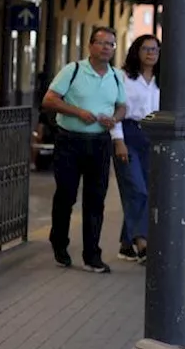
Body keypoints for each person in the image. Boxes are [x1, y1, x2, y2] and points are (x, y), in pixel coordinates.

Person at [41, 26, 127, 273]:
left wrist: (115, 119)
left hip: (99, 142)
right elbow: (49, 100)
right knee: (66, 195)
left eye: (110, 44)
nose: (106, 48)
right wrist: (77, 111)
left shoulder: (115, 76)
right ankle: (59, 243)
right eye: (101, 43)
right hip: (69, 140)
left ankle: (92, 255)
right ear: (90, 46)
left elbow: (122, 106)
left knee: (96, 199)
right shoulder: (73, 70)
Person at [112, 35, 160, 263]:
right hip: (129, 134)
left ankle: (125, 244)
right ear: (136, 51)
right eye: (146, 48)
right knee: (136, 189)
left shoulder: (163, 80)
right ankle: (142, 242)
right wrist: (118, 139)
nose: (151, 53)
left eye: (155, 49)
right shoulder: (124, 78)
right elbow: (116, 110)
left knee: (147, 191)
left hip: (154, 137)